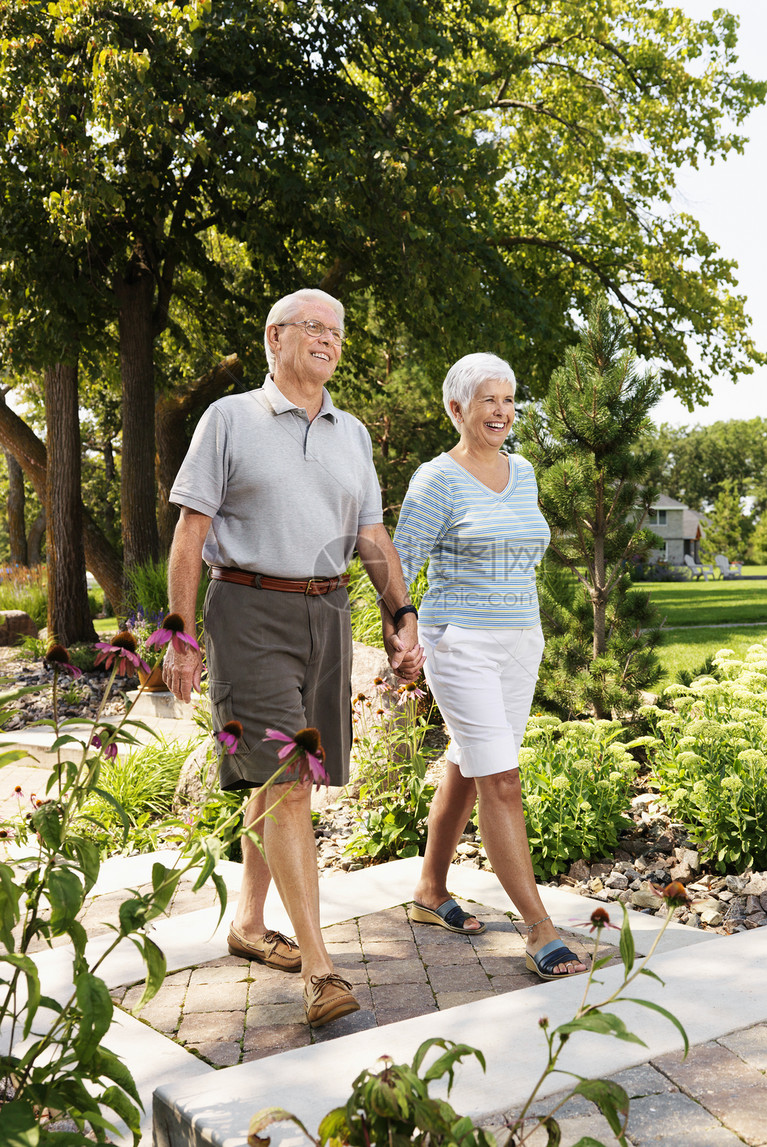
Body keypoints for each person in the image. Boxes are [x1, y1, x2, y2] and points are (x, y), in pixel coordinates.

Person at [163, 288, 423, 1028]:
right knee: (289, 781)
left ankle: (248, 922)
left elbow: (372, 535)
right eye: (316, 327)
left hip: (328, 611)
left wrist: (400, 613)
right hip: (248, 610)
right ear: (275, 335)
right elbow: (190, 531)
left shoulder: (353, 434)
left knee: (284, 779)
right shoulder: (230, 418)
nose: (330, 341)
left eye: (338, 332)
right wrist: (178, 631)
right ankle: (320, 967)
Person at [390, 352, 587, 979]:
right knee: (502, 778)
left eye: (508, 400)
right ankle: (539, 929)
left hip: (520, 640)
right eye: (487, 401)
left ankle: (429, 888)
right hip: (461, 643)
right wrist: (403, 636)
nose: (501, 412)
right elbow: (398, 562)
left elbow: (526, 550)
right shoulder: (436, 479)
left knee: (468, 761)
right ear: (457, 409)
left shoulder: (523, 471)